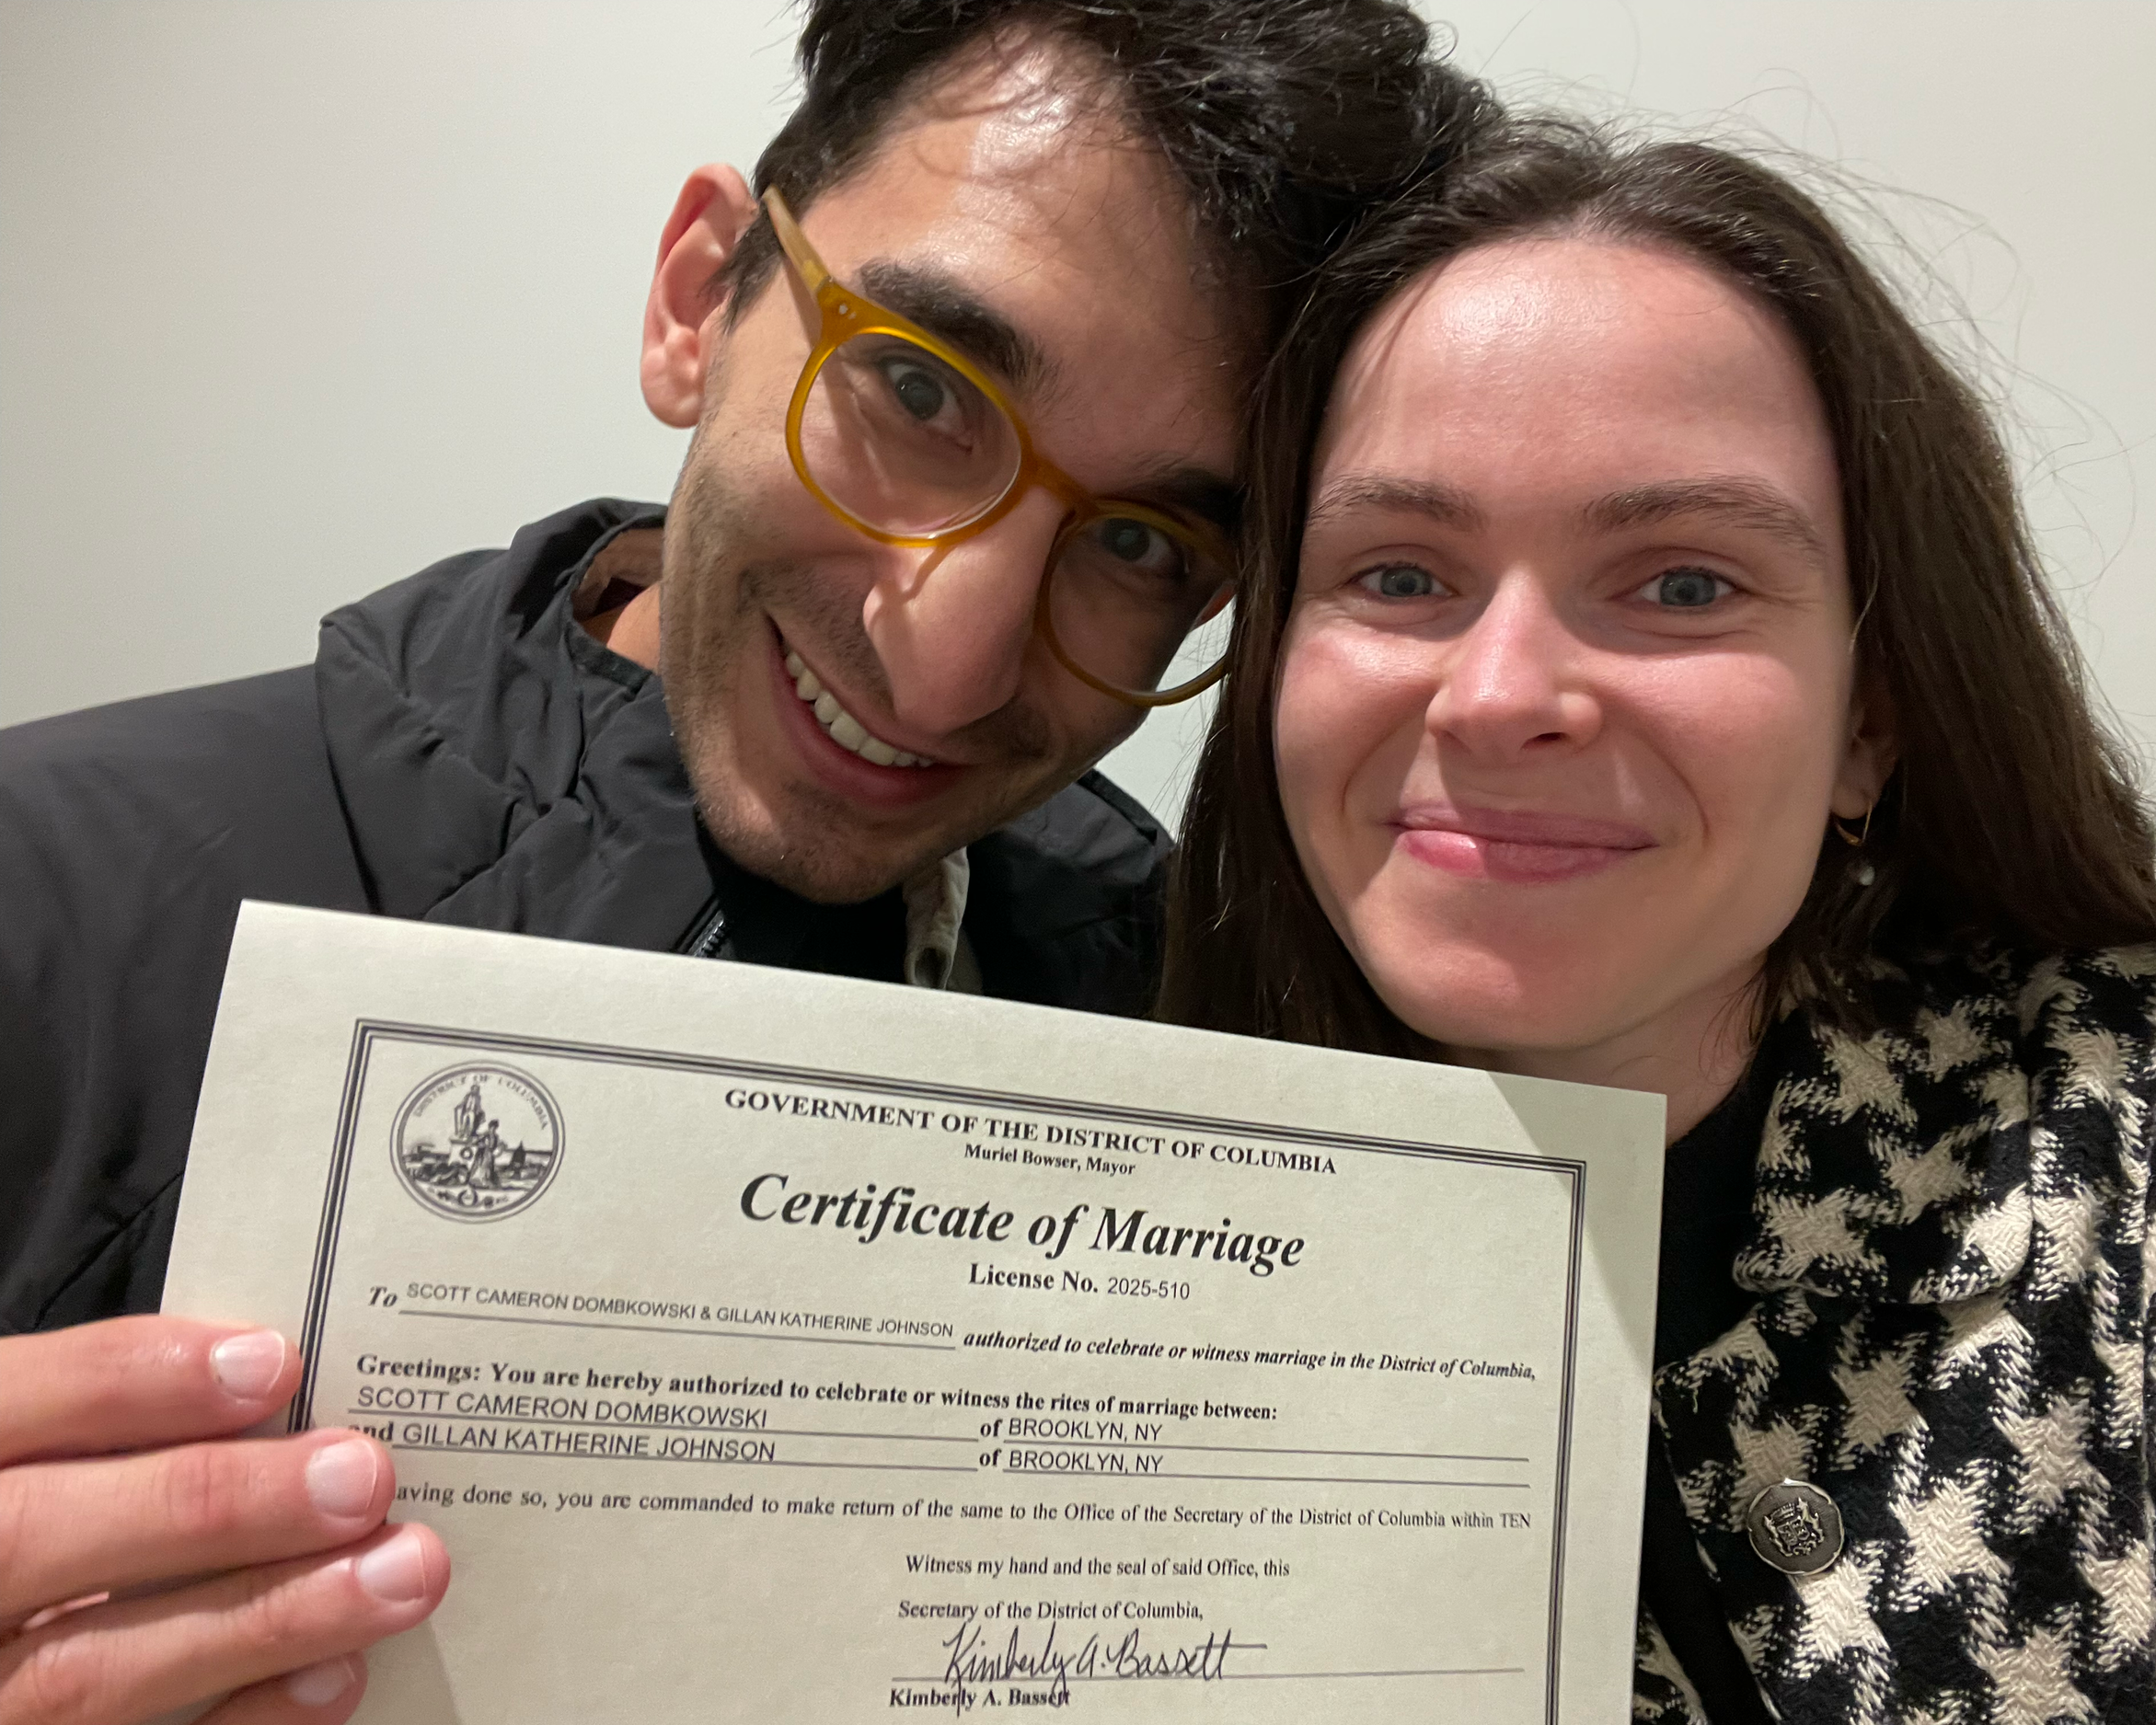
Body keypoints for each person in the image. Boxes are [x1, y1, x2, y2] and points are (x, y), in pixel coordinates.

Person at [0, 6, 1493, 1720]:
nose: (946, 660)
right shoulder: (41, 912)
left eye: (1144, 545)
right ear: (697, 298)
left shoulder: (1217, 1041)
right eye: (920, 389)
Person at [1161, 114, 2156, 1722]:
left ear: (1871, 716)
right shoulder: (1118, 1283)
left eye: (1683, 582)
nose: (1500, 697)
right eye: (1401, 573)